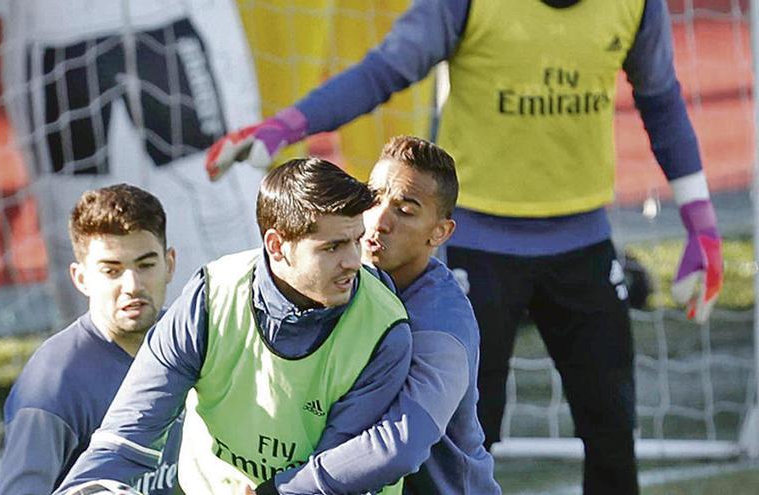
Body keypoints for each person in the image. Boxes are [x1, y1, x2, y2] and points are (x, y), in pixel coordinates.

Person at [206, 1, 724, 493]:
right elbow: (384, 70)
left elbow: (660, 96)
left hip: (585, 244)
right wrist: (287, 127)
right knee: (467, 438)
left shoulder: (637, 5)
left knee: (613, 435)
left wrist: (701, 223)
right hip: (478, 249)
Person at [55, 158, 413, 494]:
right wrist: (88, 485)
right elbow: (127, 432)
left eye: (355, 240)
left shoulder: (384, 328)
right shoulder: (209, 297)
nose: (354, 261)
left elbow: (339, 469)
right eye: (332, 247)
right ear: (276, 246)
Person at [245, 136, 501, 494]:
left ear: (439, 232)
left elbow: (401, 444)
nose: (378, 221)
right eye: (374, 198)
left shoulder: (441, 325)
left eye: (405, 210)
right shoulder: (331, 282)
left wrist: (285, 489)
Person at [5, 0, 265, 323]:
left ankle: (248, 326)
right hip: (59, 35)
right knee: (71, 204)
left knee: (213, 181)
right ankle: (91, 348)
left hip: (163, 21)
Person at [0, 184, 180, 495]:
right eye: (111, 270)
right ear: (81, 279)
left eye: (146, 265)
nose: (132, 285)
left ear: (169, 264)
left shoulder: (191, 344)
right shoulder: (54, 384)